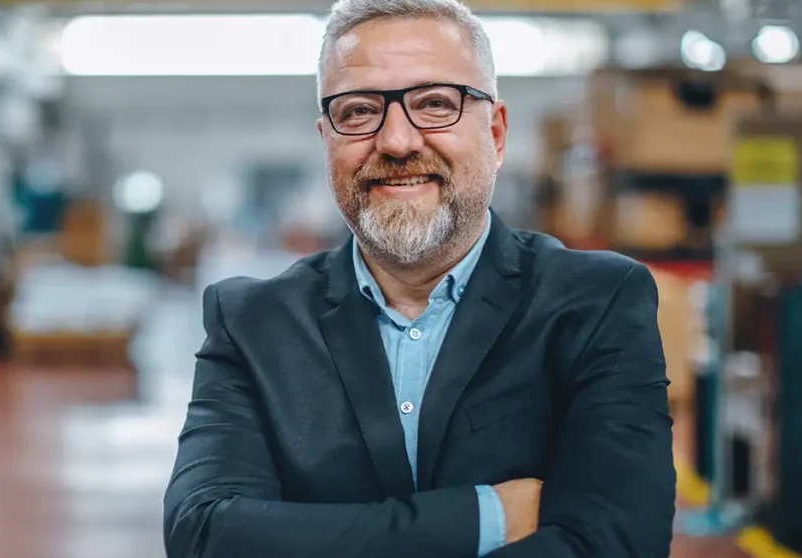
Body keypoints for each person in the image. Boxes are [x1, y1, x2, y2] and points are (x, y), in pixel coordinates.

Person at [163, 0, 676, 556]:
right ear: (327, 138)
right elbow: (206, 535)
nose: (397, 141)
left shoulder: (595, 303)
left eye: (435, 103)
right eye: (358, 112)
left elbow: (616, 540)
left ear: (497, 134)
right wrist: (485, 516)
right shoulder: (252, 323)